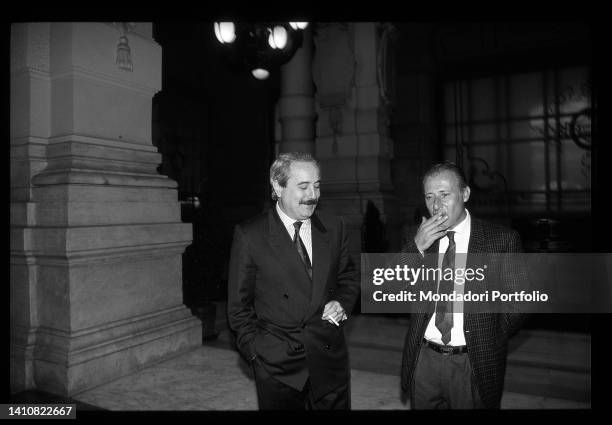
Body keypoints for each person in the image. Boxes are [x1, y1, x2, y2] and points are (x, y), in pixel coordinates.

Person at [227, 152, 359, 410]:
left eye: (317, 185)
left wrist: (342, 303)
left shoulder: (334, 227)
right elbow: (238, 308)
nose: (313, 195)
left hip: (329, 360)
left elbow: (349, 278)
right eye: (303, 186)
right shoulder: (251, 235)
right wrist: (257, 354)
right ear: (277, 186)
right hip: (279, 367)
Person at [400, 161, 525, 409]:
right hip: (424, 360)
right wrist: (416, 248)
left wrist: (489, 333)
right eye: (429, 197)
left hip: (473, 361)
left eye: (444, 195)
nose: (436, 205)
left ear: (465, 194)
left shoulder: (500, 240)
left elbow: (519, 300)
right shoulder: (422, 238)